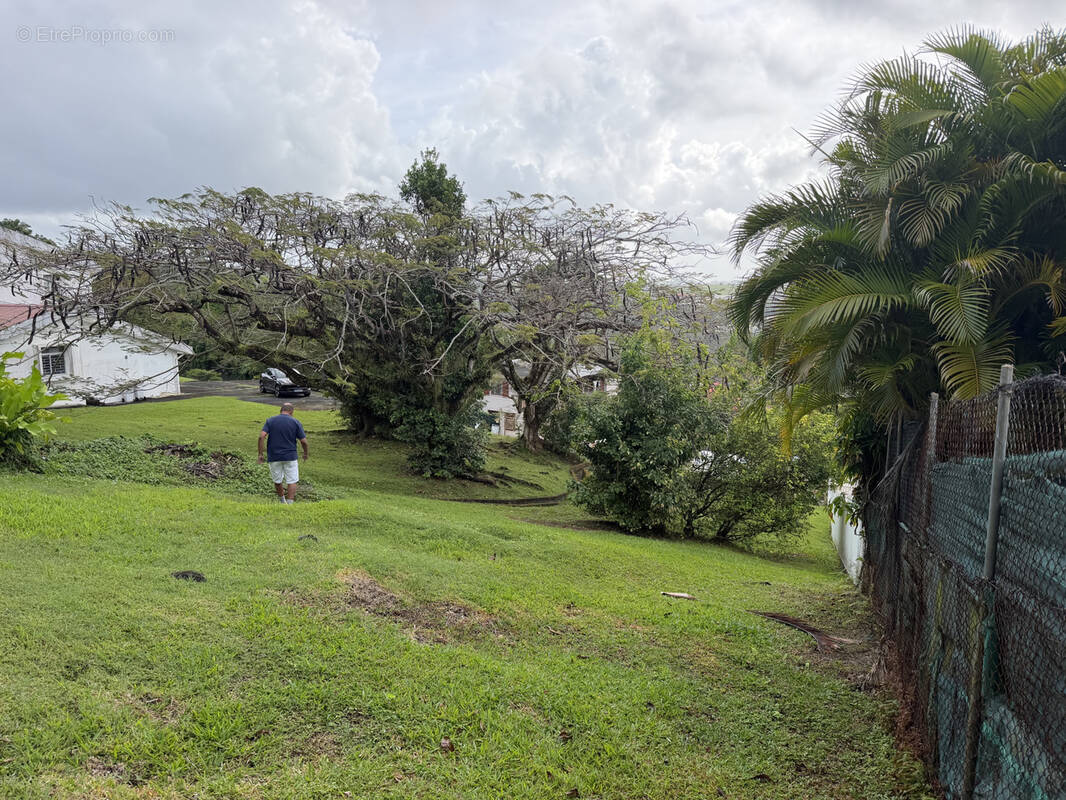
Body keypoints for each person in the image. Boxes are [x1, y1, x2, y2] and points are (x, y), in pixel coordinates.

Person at [258, 402, 309, 504]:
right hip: (290, 456)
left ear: (281, 410)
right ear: (291, 411)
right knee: (292, 480)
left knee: (277, 480)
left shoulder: (271, 420)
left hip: (274, 456)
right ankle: (290, 504)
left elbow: (261, 436)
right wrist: (305, 453)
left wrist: (260, 454)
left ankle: (282, 501)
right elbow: (303, 441)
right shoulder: (295, 422)